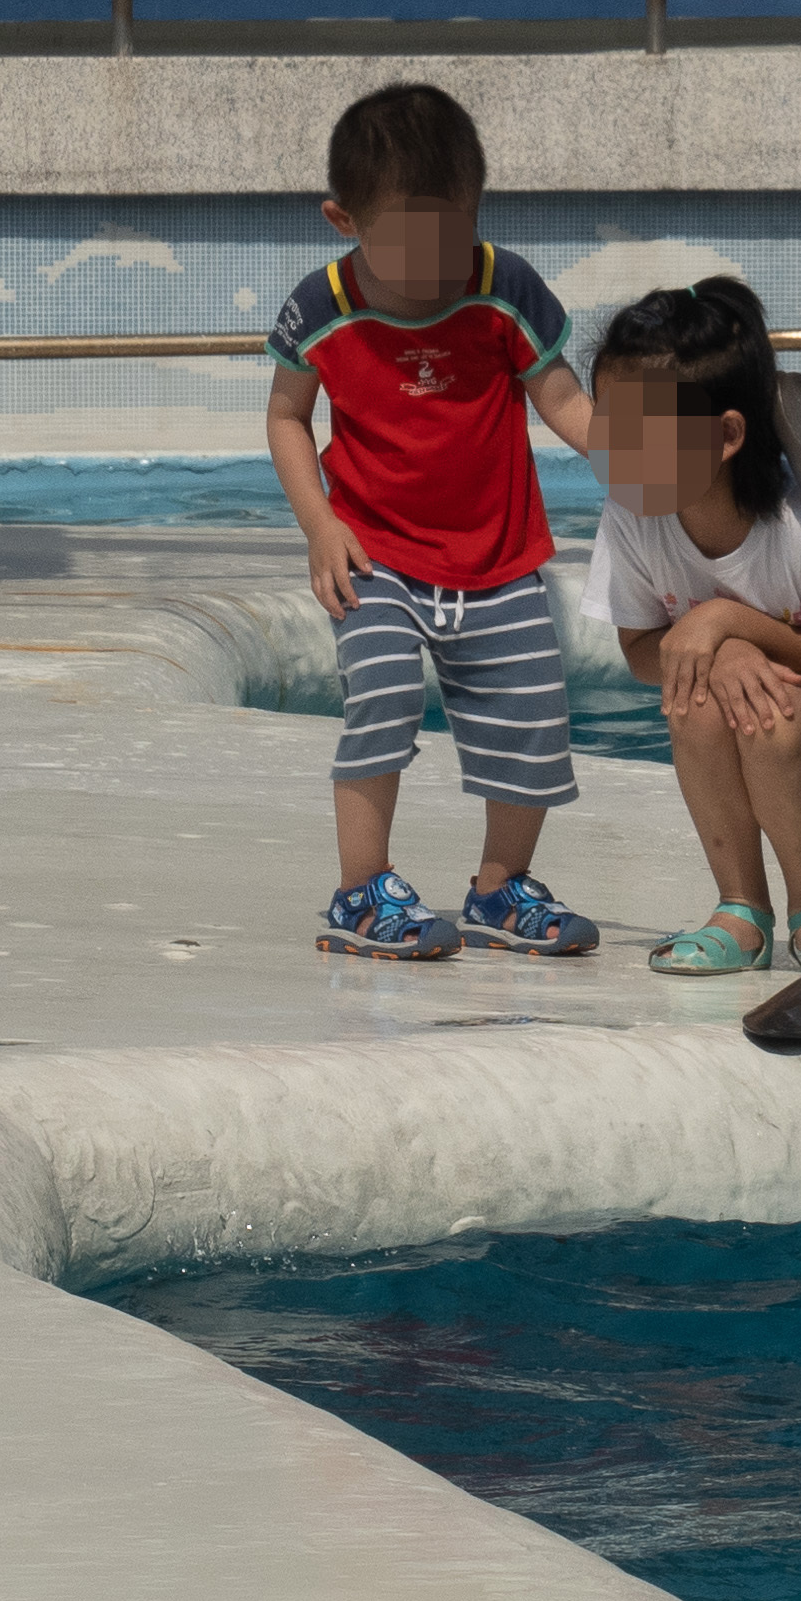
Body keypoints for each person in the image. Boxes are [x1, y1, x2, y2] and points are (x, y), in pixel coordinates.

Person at [267, 82, 603, 961]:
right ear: (343, 220)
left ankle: (500, 890)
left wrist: (647, 459)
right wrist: (319, 524)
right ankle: (360, 892)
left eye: (453, 239)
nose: (435, 269)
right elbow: (285, 417)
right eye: (409, 249)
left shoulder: (503, 287)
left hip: (496, 559)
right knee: (378, 700)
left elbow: (564, 400)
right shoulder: (324, 304)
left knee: (530, 719)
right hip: (374, 556)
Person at [581, 280, 801, 979]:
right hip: (742, 708)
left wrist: (729, 626)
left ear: (725, 436)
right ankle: (740, 908)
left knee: (768, 711)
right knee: (697, 701)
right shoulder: (633, 516)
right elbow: (640, 652)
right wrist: (717, 658)